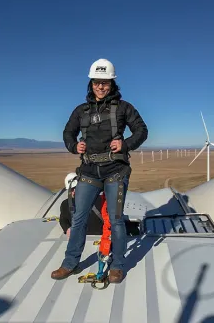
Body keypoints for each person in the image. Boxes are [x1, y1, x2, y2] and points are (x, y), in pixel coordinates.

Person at [51, 58, 148, 283]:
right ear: (91, 83)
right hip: (88, 171)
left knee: (115, 220)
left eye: (105, 83)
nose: (101, 87)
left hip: (115, 170)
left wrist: (125, 144)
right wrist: (74, 146)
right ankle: (70, 263)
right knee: (78, 219)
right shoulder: (81, 111)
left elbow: (141, 131)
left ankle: (117, 266)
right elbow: (67, 132)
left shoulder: (124, 108)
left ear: (112, 84)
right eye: (97, 82)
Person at [60, 172, 141, 239]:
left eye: (74, 188)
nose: (73, 192)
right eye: (71, 190)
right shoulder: (65, 204)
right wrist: (67, 228)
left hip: (102, 237)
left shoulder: (100, 200)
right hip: (86, 239)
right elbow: (63, 219)